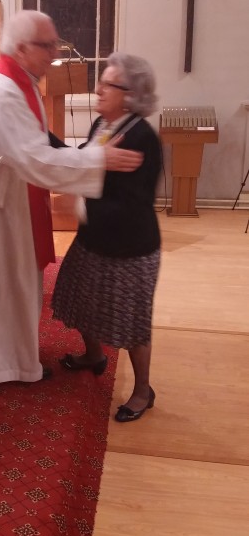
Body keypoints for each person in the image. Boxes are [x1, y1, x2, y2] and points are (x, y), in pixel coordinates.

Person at [0, 10, 144, 385]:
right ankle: (8, 365)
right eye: (47, 45)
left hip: (6, 184)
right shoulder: (6, 89)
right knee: (6, 283)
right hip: (0, 195)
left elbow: (38, 142)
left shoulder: (17, 78)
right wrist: (97, 159)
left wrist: (83, 156)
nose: (54, 53)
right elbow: (35, 158)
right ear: (22, 48)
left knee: (4, 281)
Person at [52, 53, 162, 423]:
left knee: (132, 322)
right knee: (78, 297)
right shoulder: (103, 124)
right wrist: (43, 141)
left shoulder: (141, 137)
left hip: (130, 247)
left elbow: (131, 202)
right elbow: (84, 161)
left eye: (108, 84)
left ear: (130, 95)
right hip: (94, 238)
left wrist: (80, 199)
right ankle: (94, 355)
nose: (98, 89)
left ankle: (143, 390)